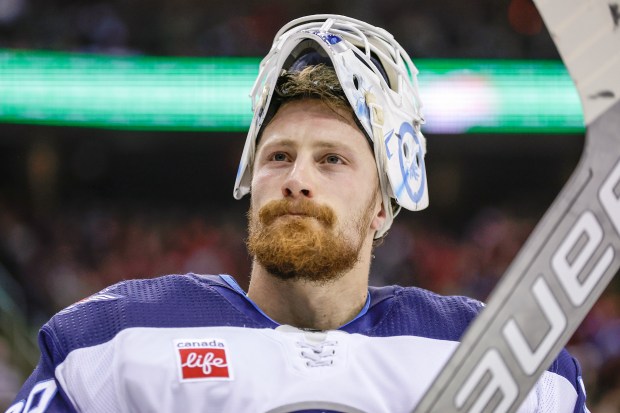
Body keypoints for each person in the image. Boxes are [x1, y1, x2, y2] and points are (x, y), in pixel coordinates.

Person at [7, 15, 587, 413]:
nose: (296, 180)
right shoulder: (112, 341)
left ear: (384, 205)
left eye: (332, 159)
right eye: (278, 156)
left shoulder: (499, 356)